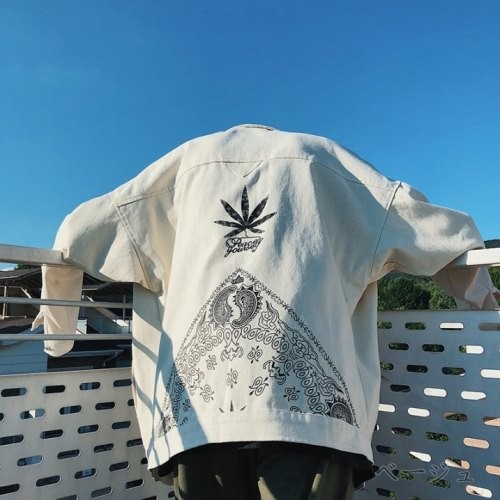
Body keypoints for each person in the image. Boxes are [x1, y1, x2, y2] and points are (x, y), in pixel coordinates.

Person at [34, 125, 498, 499]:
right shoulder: (323, 161)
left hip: (199, 416)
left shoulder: (181, 168)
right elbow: (445, 232)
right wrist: (483, 310)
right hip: (316, 417)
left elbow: (76, 232)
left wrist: (59, 335)